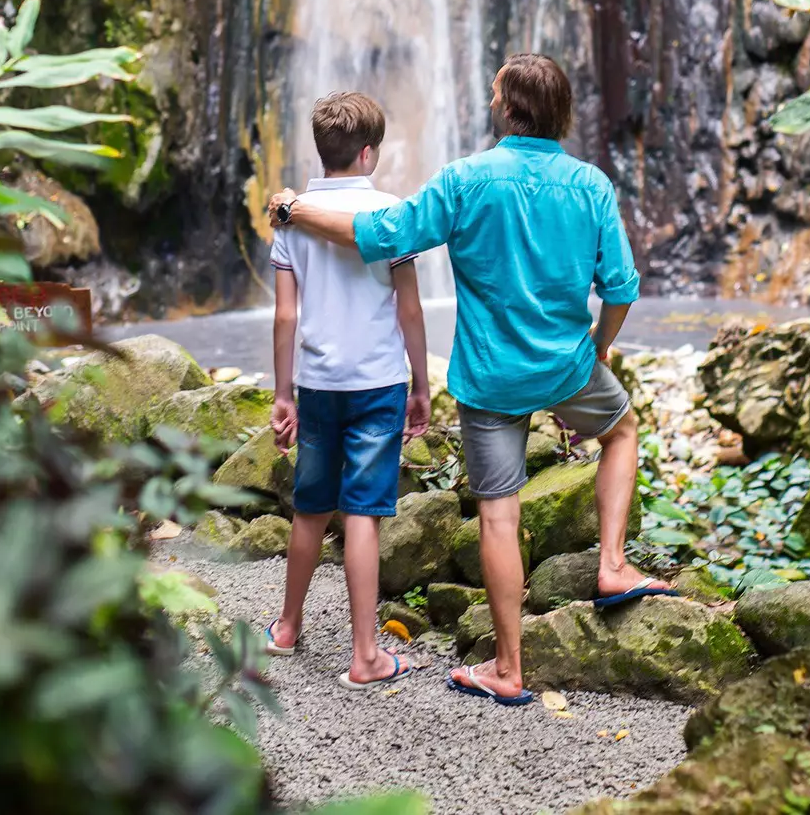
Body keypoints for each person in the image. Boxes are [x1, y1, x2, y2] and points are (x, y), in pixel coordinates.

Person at [266, 53, 672, 708]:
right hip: (567, 365)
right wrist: (598, 351)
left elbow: (380, 232)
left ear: (507, 108)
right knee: (621, 432)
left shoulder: (464, 180)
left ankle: (509, 668)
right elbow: (622, 288)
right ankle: (613, 563)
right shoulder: (591, 185)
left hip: (486, 377)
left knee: (498, 516)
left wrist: (293, 208)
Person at [261, 91, 432, 691]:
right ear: (367, 154)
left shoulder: (291, 215)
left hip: (317, 381)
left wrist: (283, 392)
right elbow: (409, 309)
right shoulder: (391, 213)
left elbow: (286, 317)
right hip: (378, 380)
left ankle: (286, 626)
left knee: (310, 505)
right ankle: (365, 655)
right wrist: (422, 382)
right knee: (363, 511)